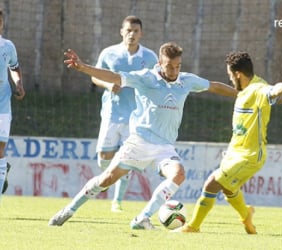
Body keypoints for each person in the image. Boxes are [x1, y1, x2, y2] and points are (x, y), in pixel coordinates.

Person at [48, 42, 238, 228]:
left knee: (178, 175)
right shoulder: (146, 78)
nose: (174, 70)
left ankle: (142, 219)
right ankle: (69, 210)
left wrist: (241, 94)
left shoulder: (186, 80)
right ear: (159, 64)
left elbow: (213, 86)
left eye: (177, 66)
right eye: (169, 66)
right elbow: (114, 76)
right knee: (106, 179)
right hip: (139, 142)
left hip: (164, 147)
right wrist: (83, 68)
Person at [174, 51, 282, 234]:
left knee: (211, 183)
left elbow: (271, 90)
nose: (229, 79)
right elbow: (271, 96)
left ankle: (193, 226)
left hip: (250, 155)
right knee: (229, 190)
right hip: (234, 152)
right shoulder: (249, 89)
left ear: (237, 74)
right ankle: (246, 216)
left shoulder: (256, 88)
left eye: (230, 75)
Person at [92, 16, 158, 212]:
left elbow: (155, 82)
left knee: (127, 157)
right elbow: (95, 76)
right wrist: (108, 84)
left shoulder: (150, 57)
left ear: (141, 33)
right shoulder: (109, 53)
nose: (132, 34)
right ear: (121, 31)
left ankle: (117, 201)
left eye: (136, 31)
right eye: (128, 30)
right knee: (103, 157)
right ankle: (113, 177)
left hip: (136, 116)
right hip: (111, 113)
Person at [0, 9, 26, 200]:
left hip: (2, 105)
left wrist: (18, 83)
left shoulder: (7, 46)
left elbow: (14, 66)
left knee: (0, 148)